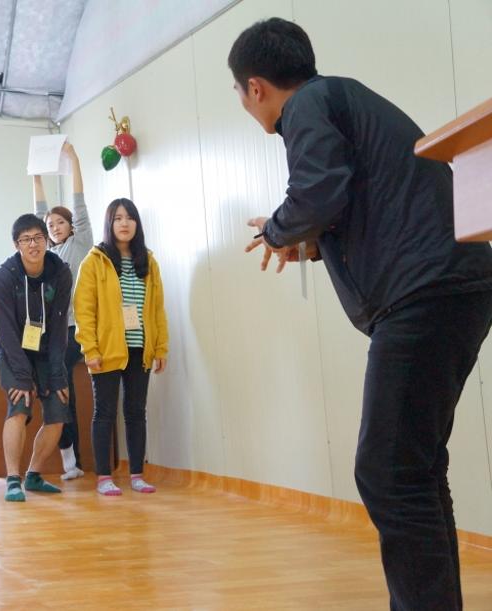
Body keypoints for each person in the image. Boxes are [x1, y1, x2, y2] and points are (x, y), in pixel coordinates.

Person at [229, 18, 492, 610]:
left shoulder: (308, 106)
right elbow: (352, 202)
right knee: (414, 470)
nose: (245, 104)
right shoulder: (339, 99)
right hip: (451, 285)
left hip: (425, 292)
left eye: (240, 95)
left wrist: (277, 230)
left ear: (255, 88)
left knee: (388, 472)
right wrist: (309, 243)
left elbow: (318, 193)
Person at [74, 198, 168, 496]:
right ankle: (104, 477)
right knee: (104, 413)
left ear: (137, 223)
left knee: (136, 412)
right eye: (117, 218)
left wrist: (161, 347)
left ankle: (137, 474)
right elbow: (84, 310)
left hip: (140, 349)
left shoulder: (148, 262)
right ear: (109, 224)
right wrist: (90, 349)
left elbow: (157, 309)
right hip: (106, 350)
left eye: (129, 217)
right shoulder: (95, 261)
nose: (124, 223)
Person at [0, 214, 72, 502]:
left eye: (38, 237)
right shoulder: (3, 278)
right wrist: (23, 377)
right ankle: (13, 479)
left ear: (46, 241)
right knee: (20, 405)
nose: (33, 244)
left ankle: (34, 475)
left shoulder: (60, 272)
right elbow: (5, 332)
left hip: (48, 350)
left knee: (59, 410)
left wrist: (57, 374)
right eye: (26, 239)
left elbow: (60, 326)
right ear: (17, 245)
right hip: (14, 351)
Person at [33, 141, 91, 480]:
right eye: (50, 224)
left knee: (61, 386)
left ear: (70, 225)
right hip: (47, 332)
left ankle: (73, 460)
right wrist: (36, 176)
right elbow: (38, 212)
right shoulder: (46, 253)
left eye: (59, 222)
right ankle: (71, 458)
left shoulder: (79, 245)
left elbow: (79, 203)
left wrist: (74, 160)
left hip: (73, 330)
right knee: (55, 389)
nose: (54, 227)